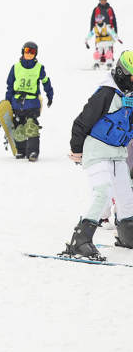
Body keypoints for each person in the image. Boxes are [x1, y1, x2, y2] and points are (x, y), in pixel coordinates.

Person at [61, 51, 133, 261]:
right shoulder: (107, 93)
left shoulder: (129, 97)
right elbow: (82, 121)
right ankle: (80, 241)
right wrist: (77, 149)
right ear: (122, 73)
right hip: (97, 150)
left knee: (126, 197)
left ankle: (128, 236)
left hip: (117, 153)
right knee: (103, 192)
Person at [5, 41, 54, 162]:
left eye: (32, 52)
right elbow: (10, 86)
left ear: (36, 54)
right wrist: (7, 102)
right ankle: (21, 151)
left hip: (32, 104)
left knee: (31, 125)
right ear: (23, 51)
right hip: (17, 103)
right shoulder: (15, 67)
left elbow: (46, 82)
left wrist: (50, 95)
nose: (29, 54)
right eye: (27, 51)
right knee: (19, 128)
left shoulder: (39, 68)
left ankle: (32, 152)